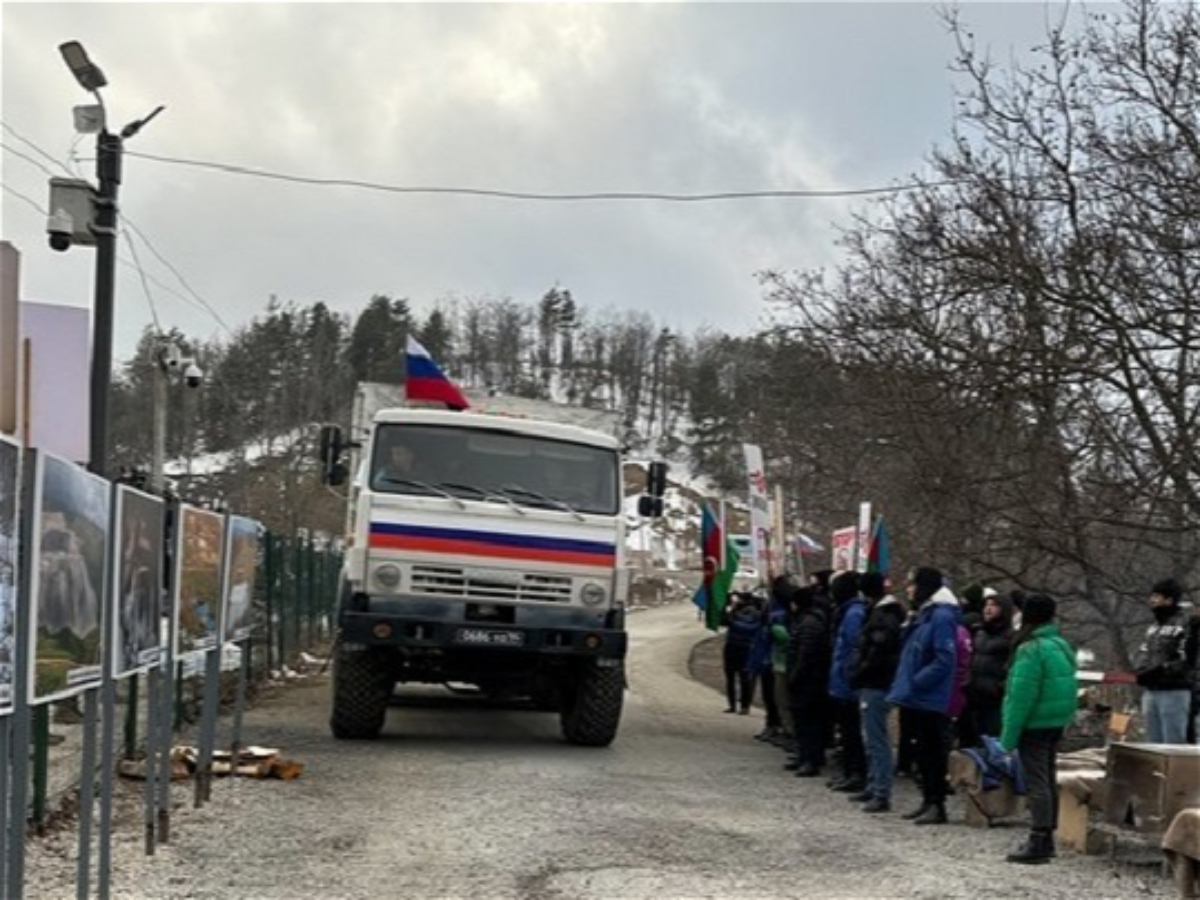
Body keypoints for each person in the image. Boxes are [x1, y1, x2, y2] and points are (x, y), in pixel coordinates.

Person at [999, 593, 1078, 864]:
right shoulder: (1060, 644)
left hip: (1034, 724)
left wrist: (1008, 738)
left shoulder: (1030, 649)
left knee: (1037, 782)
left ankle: (1039, 838)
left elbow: (1020, 696)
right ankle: (1047, 836)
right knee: (1047, 777)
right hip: (1054, 722)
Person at [886, 566, 960, 825]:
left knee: (932, 752)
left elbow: (944, 658)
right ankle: (927, 799)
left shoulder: (941, 617)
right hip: (916, 696)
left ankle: (936, 803)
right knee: (921, 752)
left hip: (929, 697)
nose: (908, 589)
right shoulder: (924, 615)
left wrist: (917, 682)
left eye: (912, 584)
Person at [851, 571, 905, 813]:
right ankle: (874, 785)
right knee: (870, 737)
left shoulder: (883, 617)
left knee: (876, 739)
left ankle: (881, 791)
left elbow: (877, 652)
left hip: (877, 683)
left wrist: (860, 670)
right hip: (875, 681)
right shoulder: (883, 614)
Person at [1134, 578, 1192, 744]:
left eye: (1157, 596)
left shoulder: (1186, 624)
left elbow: (1187, 658)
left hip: (1175, 691)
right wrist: (1140, 671)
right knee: (1152, 743)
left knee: (1173, 743)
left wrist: (1162, 670)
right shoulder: (1153, 627)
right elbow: (1144, 652)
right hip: (1151, 691)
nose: (1152, 600)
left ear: (1169, 600)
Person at [827, 571, 868, 793]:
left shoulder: (854, 614)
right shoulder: (846, 612)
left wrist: (849, 676)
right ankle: (849, 771)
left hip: (848, 683)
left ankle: (856, 773)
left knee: (852, 731)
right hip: (841, 679)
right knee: (845, 730)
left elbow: (853, 648)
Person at [961, 590, 1016, 747]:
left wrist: (999, 688)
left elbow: (1013, 667)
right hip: (973, 696)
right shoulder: (980, 633)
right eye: (986, 605)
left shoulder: (1011, 637)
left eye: (993, 605)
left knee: (991, 743)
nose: (988, 609)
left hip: (994, 700)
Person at [721, 593, 761, 714]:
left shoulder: (752, 612)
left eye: (737, 598)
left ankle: (744, 706)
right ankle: (732, 705)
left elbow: (748, 627)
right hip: (732, 645)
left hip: (744, 647)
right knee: (730, 677)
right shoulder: (734, 610)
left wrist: (733, 617)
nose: (735, 600)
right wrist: (725, 610)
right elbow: (724, 622)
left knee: (744, 678)